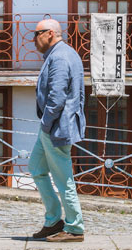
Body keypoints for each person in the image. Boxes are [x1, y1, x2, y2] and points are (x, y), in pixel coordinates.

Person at [29, 19, 86, 242]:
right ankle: (54, 220)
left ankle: (75, 228)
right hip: (52, 126)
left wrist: (45, 123)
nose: (34, 40)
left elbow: (57, 97)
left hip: (56, 128)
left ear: (50, 33)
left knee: (64, 179)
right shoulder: (59, 53)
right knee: (35, 167)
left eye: (37, 34)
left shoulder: (61, 56)